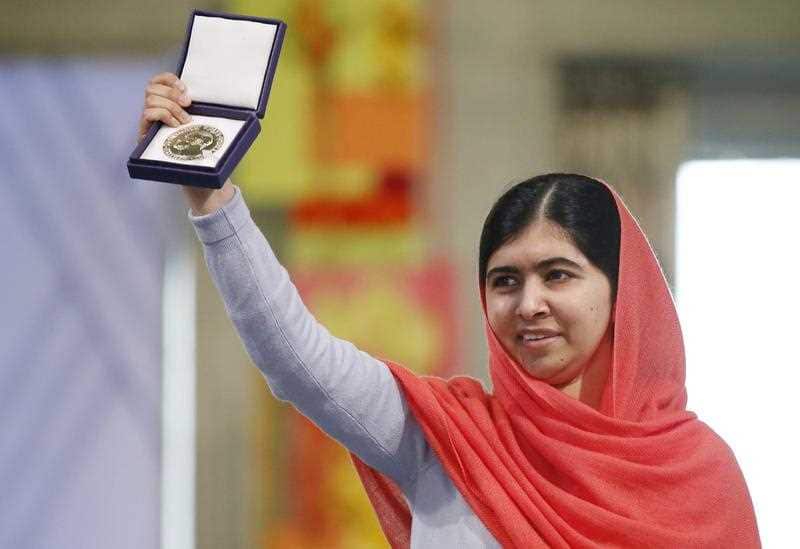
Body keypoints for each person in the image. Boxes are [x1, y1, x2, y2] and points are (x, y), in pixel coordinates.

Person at [139, 73, 761, 548]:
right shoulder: (445, 439)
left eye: (558, 275)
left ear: (623, 293)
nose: (529, 304)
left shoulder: (700, 476)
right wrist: (211, 196)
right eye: (505, 280)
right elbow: (294, 355)